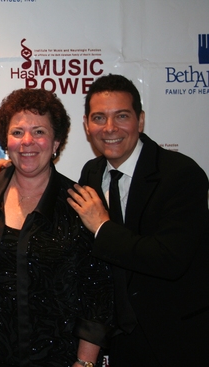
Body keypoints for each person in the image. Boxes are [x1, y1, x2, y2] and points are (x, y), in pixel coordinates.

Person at [67, 74, 209, 366]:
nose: (110, 128)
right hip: (119, 345)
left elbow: (169, 259)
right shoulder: (91, 173)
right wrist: (17, 171)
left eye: (121, 116)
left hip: (177, 342)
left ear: (140, 121)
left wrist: (102, 227)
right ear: (86, 125)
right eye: (99, 117)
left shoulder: (181, 175)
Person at [0, 88, 113, 367]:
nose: (27, 142)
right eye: (17, 133)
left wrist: (85, 363)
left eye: (39, 132)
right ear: (5, 141)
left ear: (56, 142)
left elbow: (97, 293)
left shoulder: (80, 204)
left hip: (58, 359)